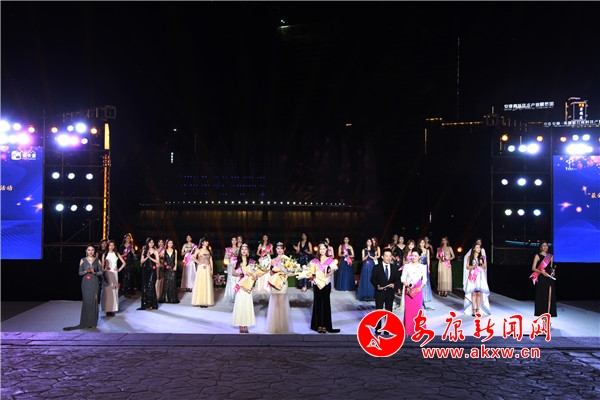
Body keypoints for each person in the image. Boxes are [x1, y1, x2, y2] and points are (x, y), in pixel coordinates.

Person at [63, 245, 104, 330]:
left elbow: (101, 272)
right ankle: (85, 322)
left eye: (92, 250)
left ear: (94, 251)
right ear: (86, 251)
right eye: (89, 250)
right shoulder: (83, 260)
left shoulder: (97, 260)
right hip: (86, 283)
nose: (91, 252)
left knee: (94, 302)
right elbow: (80, 272)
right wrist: (86, 271)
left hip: (94, 282)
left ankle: (93, 323)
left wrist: (95, 272)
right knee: (86, 302)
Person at [305, 243, 340, 334]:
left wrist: (328, 274)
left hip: (326, 283)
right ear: (318, 250)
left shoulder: (330, 260)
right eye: (320, 249)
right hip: (317, 284)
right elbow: (310, 271)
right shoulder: (314, 261)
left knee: (325, 304)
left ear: (326, 250)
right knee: (317, 303)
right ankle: (318, 325)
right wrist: (312, 276)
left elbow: (332, 270)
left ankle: (325, 325)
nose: (322, 250)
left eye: (324, 249)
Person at [265, 242, 296, 334]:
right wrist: (271, 281)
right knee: (275, 305)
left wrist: (285, 275)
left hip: (283, 283)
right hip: (275, 283)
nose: (279, 250)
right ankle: (275, 326)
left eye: (281, 248)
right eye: (278, 248)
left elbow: (293, 271)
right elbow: (271, 273)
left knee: (281, 305)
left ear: (284, 249)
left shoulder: (287, 259)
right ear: (275, 249)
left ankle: (282, 327)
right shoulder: (273, 260)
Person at [231, 243, 262, 334]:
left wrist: (255, 277)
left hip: (248, 285)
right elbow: (233, 273)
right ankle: (240, 325)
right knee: (240, 304)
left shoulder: (251, 262)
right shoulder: (236, 260)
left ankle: (246, 325)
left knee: (247, 304)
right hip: (240, 285)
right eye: (242, 249)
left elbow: (254, 273)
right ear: (240, 251)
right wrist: (240, 274)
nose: (244, 251)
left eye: (246, 249)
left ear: (248, 251)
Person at [401, 250, 428, 336]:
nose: (413, 257)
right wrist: (407, 286)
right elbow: (403, 278)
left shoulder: (423, 267)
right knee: (408, 311)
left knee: (418, 310)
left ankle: (419, 329)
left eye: (416, 256)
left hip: (418, 290)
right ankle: (408, 330)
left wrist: (420, 288)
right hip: (408, 290)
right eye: (412, 255)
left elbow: (424, 280)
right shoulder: (407, 266)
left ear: (419, 256)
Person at [530, 240, 557, 320]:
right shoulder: (537, 256)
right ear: (541, 247)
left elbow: (551, 267)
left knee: (549, 297)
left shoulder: (550, 256)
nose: (545, 247)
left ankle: (547, 316)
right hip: (542, 279)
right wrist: (542, 272)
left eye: (546, 245)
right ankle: (543, 315)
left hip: (549, 278)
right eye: (543, 246)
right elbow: (533, 268)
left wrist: (552, 272)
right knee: (543, 297)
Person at [370, 248, 402, 314]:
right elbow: (372, 279)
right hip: (379, 293)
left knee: (389, 313)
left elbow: (398, 280)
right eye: (386, 256)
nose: (389, 258)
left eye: (390, 256)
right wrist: (377, 286)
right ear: (382, 257)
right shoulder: (377, 267)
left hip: (390, 294)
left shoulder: (395, 268)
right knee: (378, 314)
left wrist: (394, 285)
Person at [463, 242, 491, 316]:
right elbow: (467, 267)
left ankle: (478, 309)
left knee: (479, 293)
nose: (479, 249)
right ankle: (474, 309)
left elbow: (484, 267)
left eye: (479, 247)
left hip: (480, 276)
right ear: (474, 249)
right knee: (473, 293)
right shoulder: (470, 257)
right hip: (472, 276)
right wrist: (474, 266)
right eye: (477, 247)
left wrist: (481, 263)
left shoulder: (482, 257)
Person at [101, 240, 125, 317]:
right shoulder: (105, 254)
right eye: (110, 245)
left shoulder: (116, 253)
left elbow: (124, 263)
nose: (111, 247)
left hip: (114, 274)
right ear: (108, 246)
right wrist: (104, 274)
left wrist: (119, 269)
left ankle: (112, 309)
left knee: (114, 292)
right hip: (107, 274)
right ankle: (107, 309)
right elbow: (102, 267)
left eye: (113, 245)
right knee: (107, 292)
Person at [191, 237, 214, 307]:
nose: (207, 243)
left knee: (207, 284)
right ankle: (200, 301)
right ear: (202, 242)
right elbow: (193, 257)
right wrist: (199, 262)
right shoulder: (198, 250)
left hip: (207, 268)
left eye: (207, 241)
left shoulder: (209, 250)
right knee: (201, 283)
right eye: (205, 241)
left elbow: (211, 260)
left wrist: (212, 269)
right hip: (201, 268)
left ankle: (206, 301)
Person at [139, 237, 159, 310]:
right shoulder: (144, 250)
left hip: (152, 270)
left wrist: (150, 257)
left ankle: (151, 304)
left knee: (151, 286)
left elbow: (158, 261)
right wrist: (147, 257)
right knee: (145, 286)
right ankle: (145, 304)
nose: (151, 244)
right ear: (147, 243)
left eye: (152, 242)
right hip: (145, 269)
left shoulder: (155, 251)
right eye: (150, 242)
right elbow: (141, 261)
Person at [159, 238, 179, 303]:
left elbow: (175, 260)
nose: (170, 244)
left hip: (173, 267)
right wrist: (163, 262)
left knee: (173, 282)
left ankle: (172, 298)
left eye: (171, 243)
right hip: (167, 268)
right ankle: (166, 298)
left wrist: (175, 266)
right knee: (166, 282)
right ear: (167, 244)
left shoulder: (175, 251)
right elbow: (158, 257)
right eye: (169, 243)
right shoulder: (164, 251)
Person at [418, 238, 434, 310]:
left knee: (425, 281)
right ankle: (419, 295)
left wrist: (428, 268)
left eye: (423, 242)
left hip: (424, 267)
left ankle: (426, 296)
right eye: (421, 242)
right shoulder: (417, 250)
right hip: (419, 267)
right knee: (419, 281)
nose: (422, 244)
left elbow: (428, 259)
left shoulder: (427, 250)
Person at [222, 236, 240, 303]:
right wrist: (229, 257)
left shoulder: (239, 249)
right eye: (233, 240)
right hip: (230, 265)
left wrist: (237, 257)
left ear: (237, 241)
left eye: (235, 240)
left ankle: (237, 296)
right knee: (231, 280)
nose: (234, 241)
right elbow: (225, 259)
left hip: (237, 265)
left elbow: (242, 257)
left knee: (237, 279)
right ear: (231, 241)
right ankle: (231, 295)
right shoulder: (228, 249)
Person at [119, 233, 136, 298]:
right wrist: (124, 255)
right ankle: (124, 291)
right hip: (124, 263)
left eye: (129, 238)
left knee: (130, 277)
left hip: (130, 263)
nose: (128, 239)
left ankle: (129, 291)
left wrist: (133, 252)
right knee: (124, 277)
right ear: (125, 239)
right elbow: (119, 255)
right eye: (127, 238)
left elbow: (135, 256)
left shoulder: (132, 246)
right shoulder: (122, 246)